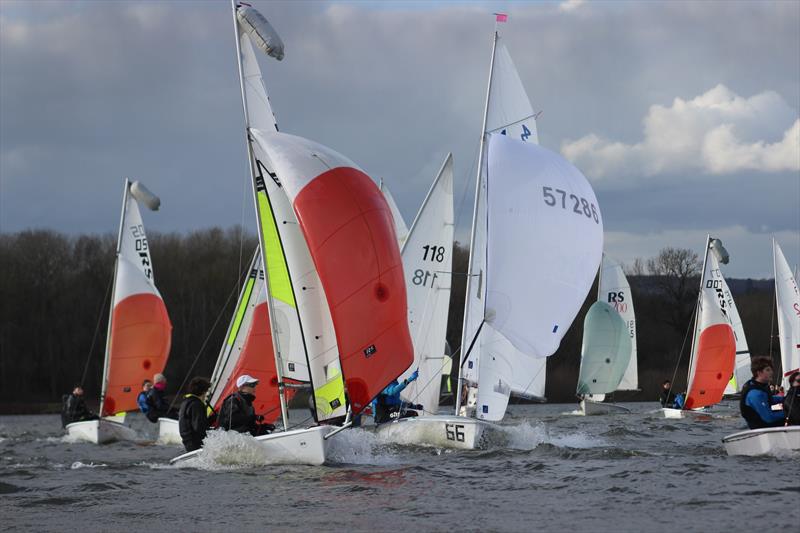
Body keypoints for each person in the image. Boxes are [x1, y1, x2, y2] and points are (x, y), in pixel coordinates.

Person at [739, 356, 784, 429]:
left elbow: (769, 399)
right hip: (761, 429)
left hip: (767, 424)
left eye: (771, 369)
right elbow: (769, 418)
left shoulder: (759, 385)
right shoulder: (755, 394)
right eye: (768, 370)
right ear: (759, 373)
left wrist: (785, 398)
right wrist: (790, 413)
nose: (772, 372)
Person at [178, 377, 217, 452]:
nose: (206, 394)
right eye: (206, 391)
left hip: (188, 444)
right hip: (196, 445)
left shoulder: (186, 401)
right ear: (203, 392)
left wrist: (213, 418)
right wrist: (215, 434)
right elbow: (199, 427)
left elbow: (196, 423)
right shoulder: (196, 404)